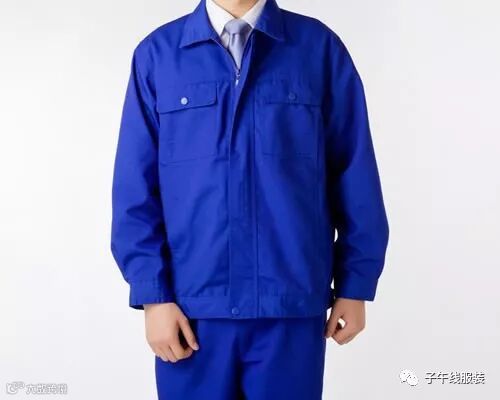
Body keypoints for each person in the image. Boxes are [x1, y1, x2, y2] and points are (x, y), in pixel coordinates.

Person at [110, 0, 389, 398]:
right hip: (191, 310)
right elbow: (135, 189)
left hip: (290, 303)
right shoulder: (158, 55)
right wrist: (153, 295)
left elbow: (354, 172)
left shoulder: (317, 48)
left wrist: (355, 283)